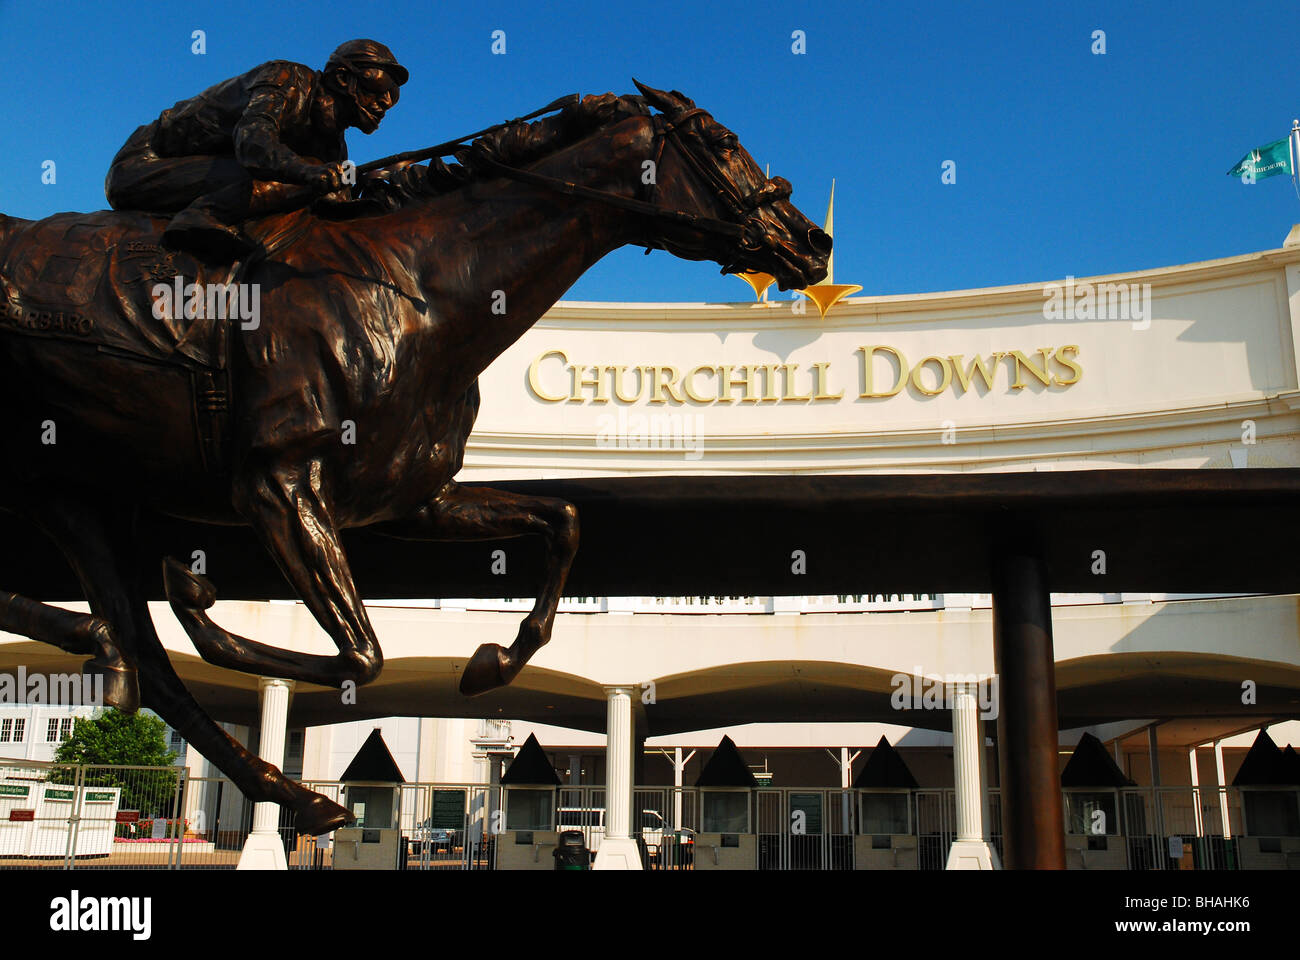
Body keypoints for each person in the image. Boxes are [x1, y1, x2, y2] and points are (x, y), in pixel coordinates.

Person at [104, 39, 407, 262]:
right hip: (143, 167)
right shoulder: (285, 79)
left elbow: (335, 198)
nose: (386, 102)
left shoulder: (332, 142)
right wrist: (309, 171)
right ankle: (198, 216)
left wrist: (377, 183)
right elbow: (253, 143)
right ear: (343, 78)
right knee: (302, 173)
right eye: (380, 90)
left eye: (392, 96)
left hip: (211, 172)